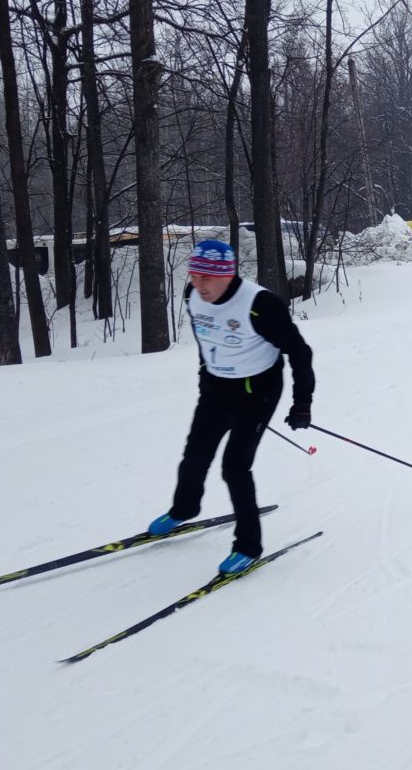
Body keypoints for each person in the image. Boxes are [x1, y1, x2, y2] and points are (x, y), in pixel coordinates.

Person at [148, 240, 316, 574]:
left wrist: (302, 404)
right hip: (216, 388)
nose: (199, 284)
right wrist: (203, 372)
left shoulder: (260, 305)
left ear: (227, 275)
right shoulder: (192, 295)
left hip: (258, 391)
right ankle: (184, 509)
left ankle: (248, 546)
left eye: (207, 277)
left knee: (234, 467)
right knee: (195, 455)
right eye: (194, 275)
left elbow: (299, 352)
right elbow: (205, 338)